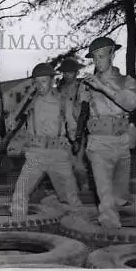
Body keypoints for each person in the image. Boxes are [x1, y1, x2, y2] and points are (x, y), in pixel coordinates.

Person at [79, 36, 136, 229]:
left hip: (122, 141)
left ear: (112, 55)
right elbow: (77, 115)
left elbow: (132, 103)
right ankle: (109, 234)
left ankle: (117, 211)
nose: (97, 61)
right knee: (105, 194)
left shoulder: (126, 81)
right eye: (94, 58)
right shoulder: (87, 84)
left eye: (101, 56)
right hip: (98, 143)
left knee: (120, 196)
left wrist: (103, 87)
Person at [10, 63, 83, 218]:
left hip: (58, 155)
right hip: (35, 154)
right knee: (20, 193)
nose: (40, 86)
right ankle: (17, 228)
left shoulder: (64, 102)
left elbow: (73, 129)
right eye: (36, 82)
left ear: (52, 81)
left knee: (70, 197)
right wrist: (27, 96)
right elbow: (12, 121)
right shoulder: (30, 102)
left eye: (43, 81)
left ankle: (79, 228)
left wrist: (75, 152)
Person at [57, 57, 89, 191]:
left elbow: (84, 112)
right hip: (64, 133)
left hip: (79, 131)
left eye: (70, 72)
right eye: (64, 72)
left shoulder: (81, 88)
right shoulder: (59, 90)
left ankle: (85, 189)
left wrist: (78, 137)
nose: (67, 75)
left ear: (76, 72)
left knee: (79, 165)